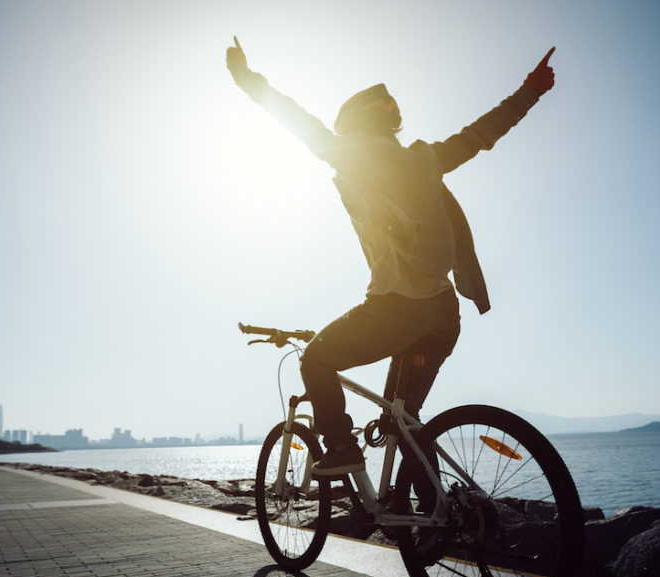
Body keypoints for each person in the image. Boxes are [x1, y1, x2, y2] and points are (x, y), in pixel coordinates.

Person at [226, 38, 556, 476]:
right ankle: (434, 524)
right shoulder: (428, 159)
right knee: (404, 423)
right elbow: (481, 133)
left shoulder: (353, 156)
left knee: (316, 360)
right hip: (442, 314)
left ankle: (341, 448)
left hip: (399, 310)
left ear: (352, 128)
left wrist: (246, 78)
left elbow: (294, 118)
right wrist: (531, 89)